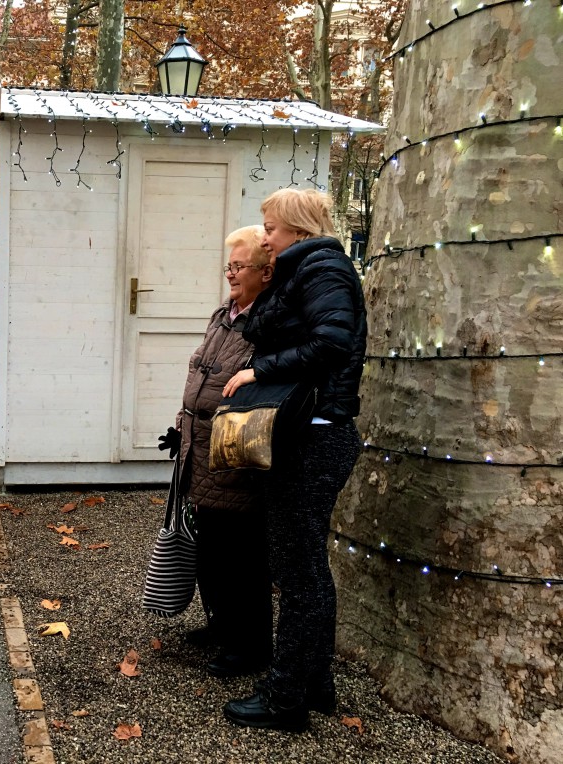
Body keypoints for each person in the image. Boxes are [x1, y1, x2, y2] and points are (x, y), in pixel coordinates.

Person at [220, 189, 367, 732]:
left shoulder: (322, 270)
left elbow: (332, 342)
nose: (265, 236)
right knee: (305, 570)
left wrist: (262, 371)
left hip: (313, 433)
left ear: (299, 230)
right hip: (310, 430)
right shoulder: (307, 269)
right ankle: (313, 683)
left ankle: (286, 700)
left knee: (298, 574)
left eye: (272, 227)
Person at [158, 226, 274, 678]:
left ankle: (250, 647)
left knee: (241, 555)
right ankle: (221, 626)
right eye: (229, 265)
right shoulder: (223, 314)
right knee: (210, 548)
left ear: (265, 273)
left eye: (239, 266)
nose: (231, 273)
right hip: (198, 445)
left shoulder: (267, 323)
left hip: (234, 447)